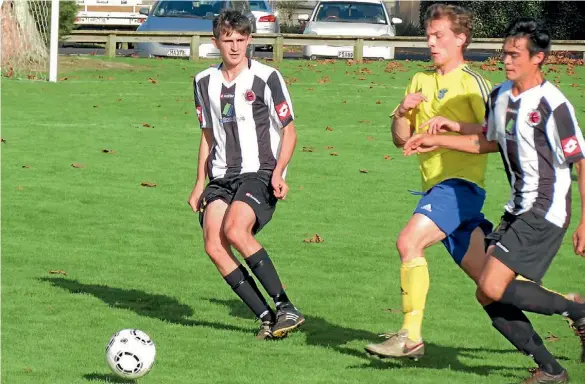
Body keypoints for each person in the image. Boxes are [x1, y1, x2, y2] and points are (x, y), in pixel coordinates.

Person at [404, 17, 585, 383]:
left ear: (538, 59)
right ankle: (551, 369)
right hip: (516, 208)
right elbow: (487, 141)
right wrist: (438, 138)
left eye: (515, 55)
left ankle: (577, 309)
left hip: (545, 208)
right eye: (504, 53)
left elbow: (580, 162)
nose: (506, 60)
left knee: (491, 286)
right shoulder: (500, 95)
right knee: (487, 296)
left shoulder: (554, 104)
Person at [365, 3, 494, 360]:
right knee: (494, 283)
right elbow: (399, 138)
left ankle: (411, 337)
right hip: (435, 190)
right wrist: (403, 112)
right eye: (428, 36)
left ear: (461, 39)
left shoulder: (475, 84)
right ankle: (574, 308)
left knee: (408, 242)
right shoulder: (420, 80)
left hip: (460, 187)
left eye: (439, 36)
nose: (431, 43)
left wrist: (447, 132)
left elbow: (497, 137)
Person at [187, 9, 304, 340]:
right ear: (216, 43)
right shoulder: (202, 82)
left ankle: (285, 306)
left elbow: (290, 131)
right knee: (213, 244)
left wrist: (279, 172)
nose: (235, 47)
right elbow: (207, 135)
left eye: (241, 39)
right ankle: (266, 316)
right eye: (228, 41)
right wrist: (199, 182)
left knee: (236, 230)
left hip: (260, 172)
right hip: (221, 178)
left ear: (249, 40)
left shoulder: (267, 78)